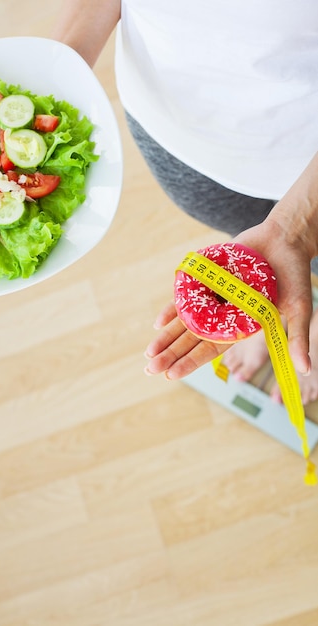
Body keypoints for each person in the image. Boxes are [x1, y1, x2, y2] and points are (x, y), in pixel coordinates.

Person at [51, 0, 318, 405]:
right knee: (244, 232)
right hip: (171, 125)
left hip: (305, 141)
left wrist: (296, 228)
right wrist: (54, 80)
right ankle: (258, 309)